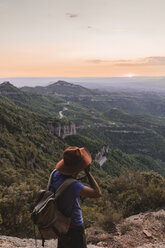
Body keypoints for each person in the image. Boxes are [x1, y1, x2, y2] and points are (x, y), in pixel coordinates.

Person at [52, 146, 102, 248]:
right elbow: (97, 193)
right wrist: (88, 173)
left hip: (60, 224)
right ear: (79, 167)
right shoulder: (74, 186)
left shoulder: (55, 174)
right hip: (74, 227)